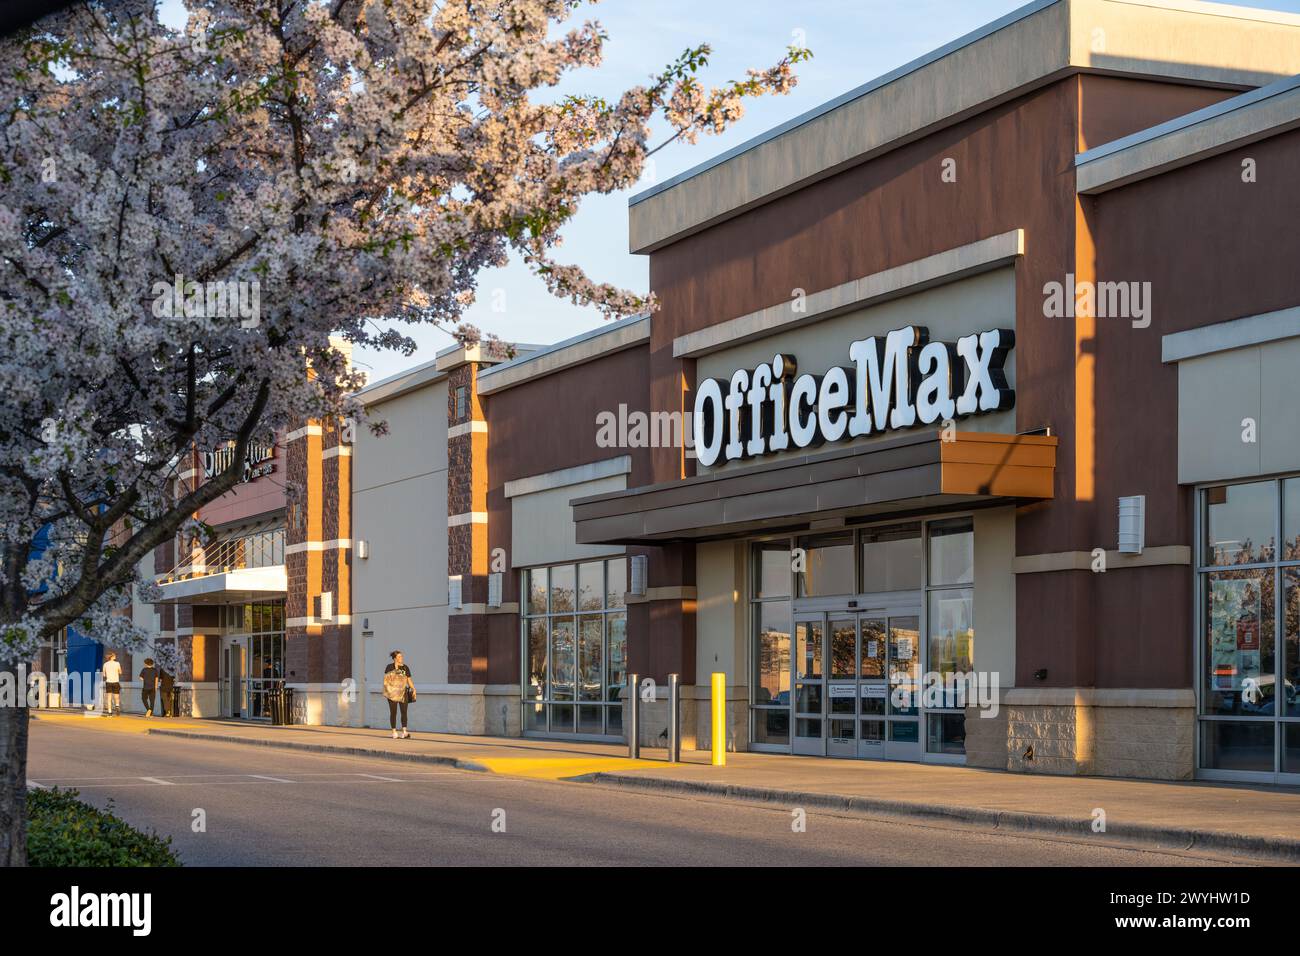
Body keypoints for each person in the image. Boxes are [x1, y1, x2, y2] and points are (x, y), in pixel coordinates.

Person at [382, 650, 416, 739]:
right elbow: (387, 679)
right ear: (394, 658)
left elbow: (409, 680)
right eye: (399, 657)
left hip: (403, 693)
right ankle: (394, 731)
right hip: (392, 693)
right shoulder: (389, 667)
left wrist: (413, 689)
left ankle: (404, 731)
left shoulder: (405, 668)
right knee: (393, 712)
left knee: (404, 712)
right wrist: (396, 669)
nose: (401, 658)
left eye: (402, 656)